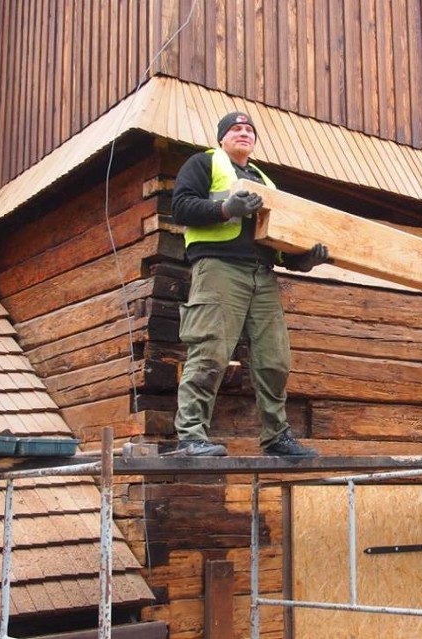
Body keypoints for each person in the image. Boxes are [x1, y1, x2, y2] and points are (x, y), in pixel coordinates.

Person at [171, 111, 329, 457]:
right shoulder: (203, 163)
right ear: (222, 138)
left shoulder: (265, 181)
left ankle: (276, 436)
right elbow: (180, 207)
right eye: (235, 129)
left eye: (249, 130)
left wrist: (302, 259)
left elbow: (275, 238)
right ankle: (191, 436)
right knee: (209, 350)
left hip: (262, 272)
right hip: (219, 268)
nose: (243, 134)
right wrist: (226, 209)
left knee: (274, 358)